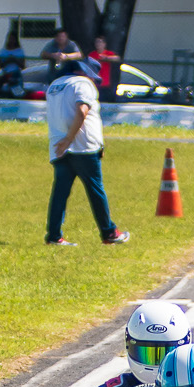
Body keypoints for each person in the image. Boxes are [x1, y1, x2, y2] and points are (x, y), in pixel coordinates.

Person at [45, 59, 128, 247]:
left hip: (59, 147)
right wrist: (71, 138)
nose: (93, 80)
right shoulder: (83, 83)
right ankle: (109, 233)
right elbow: (82, 111)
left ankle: (53, 235)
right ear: (81, 72)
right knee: (95, 189)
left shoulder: (54, 86)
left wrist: (64, 141)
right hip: (82, 147)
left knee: (60, 192)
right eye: (91, 75)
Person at [86, 34, 121, 101]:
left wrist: (106, 58)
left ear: (104, 44)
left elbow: (117, 58)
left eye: (100, 42)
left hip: (105, 84)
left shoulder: (108, 53)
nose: (98, 44)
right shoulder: (92, 54)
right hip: (96, 83)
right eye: (97, 42)